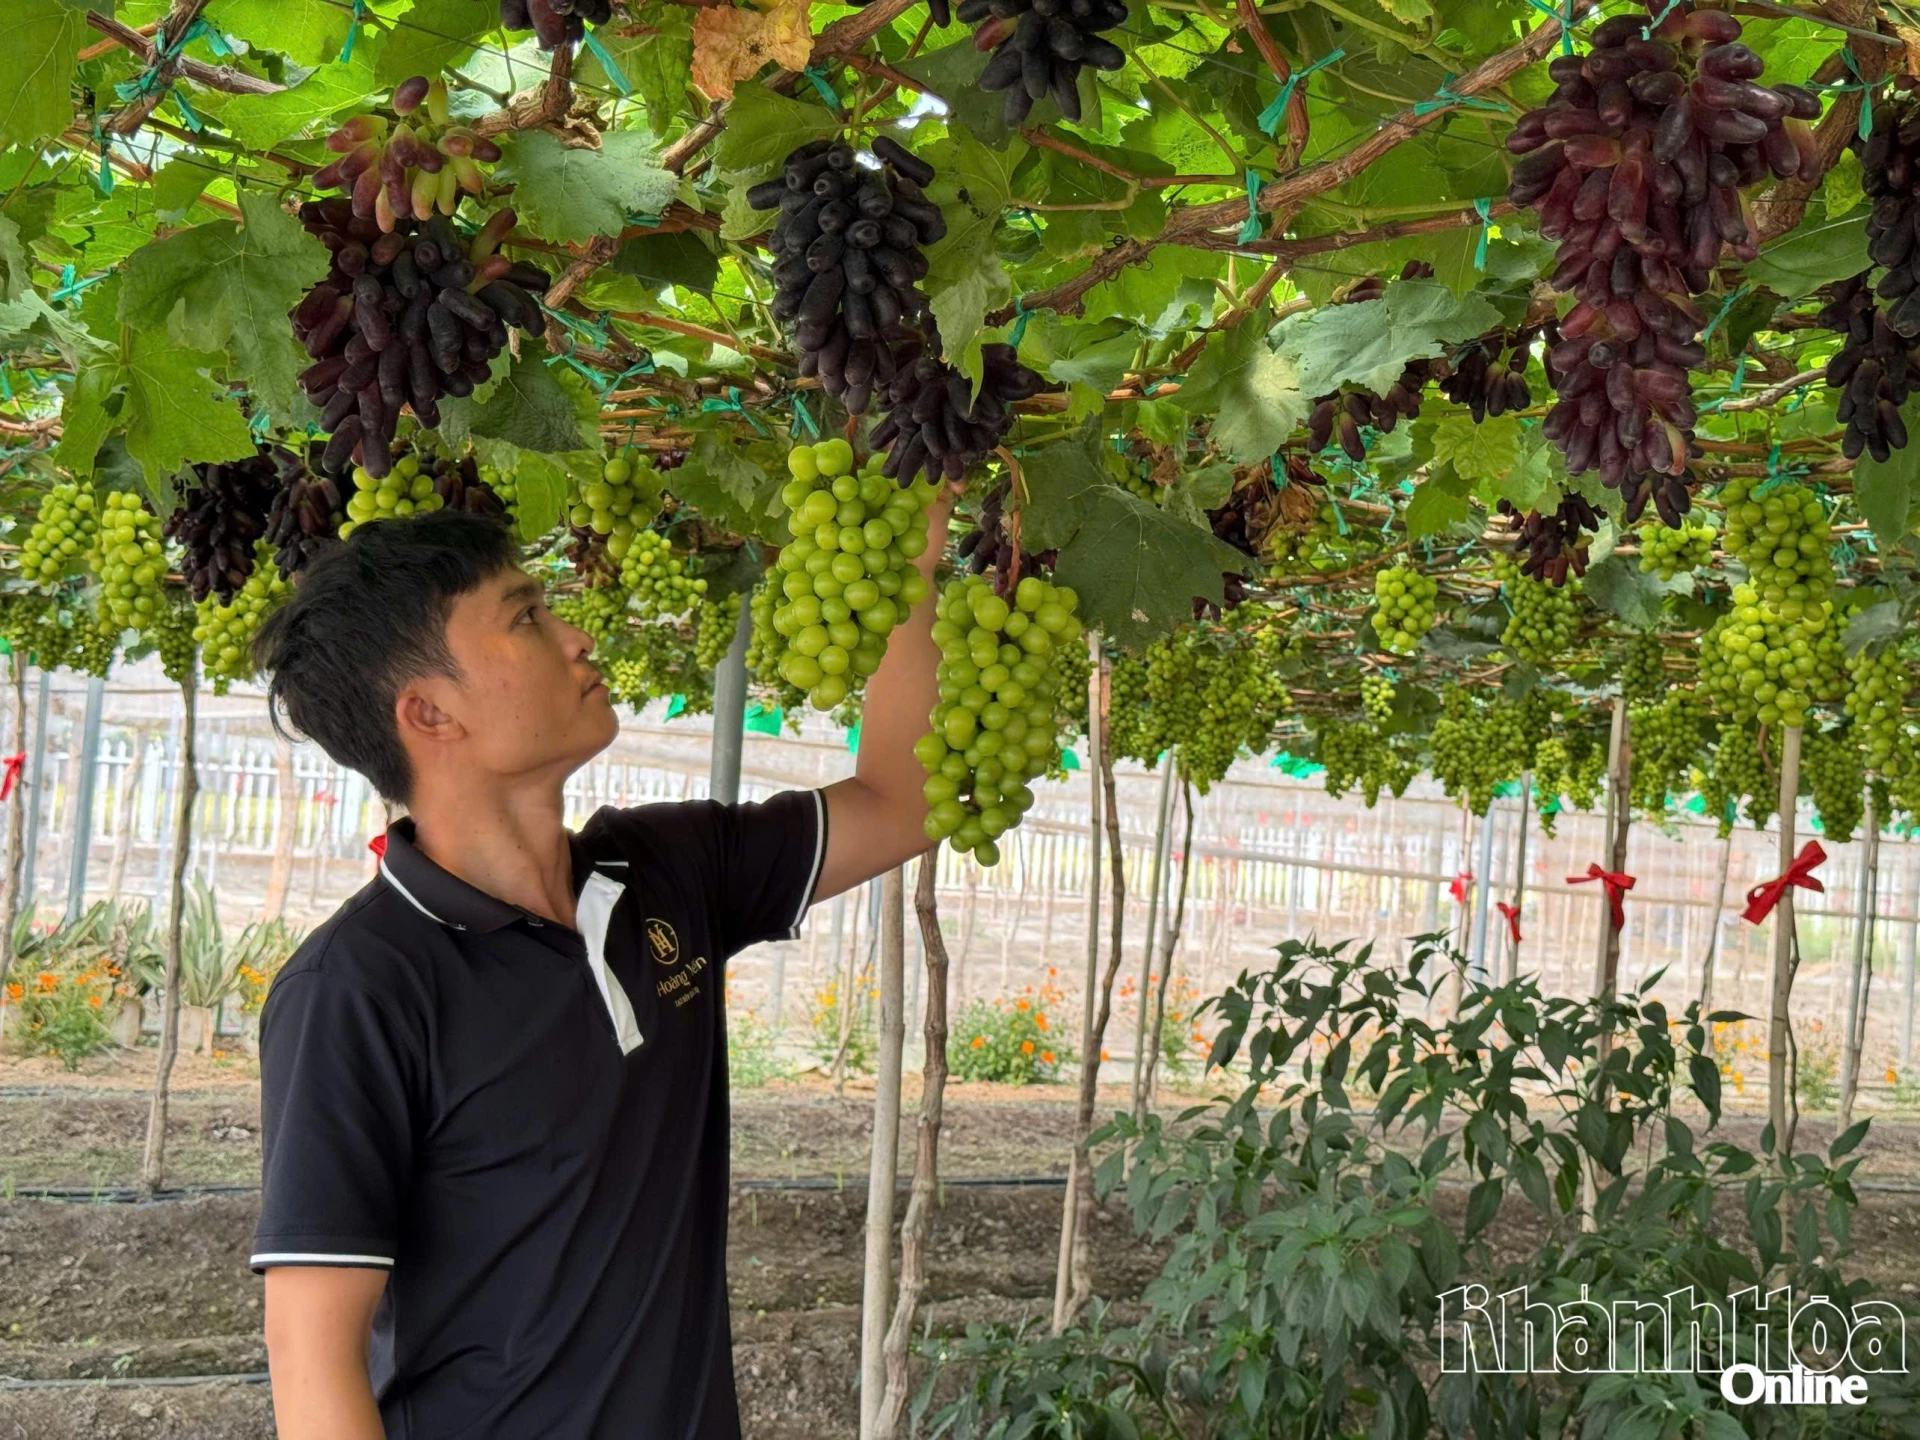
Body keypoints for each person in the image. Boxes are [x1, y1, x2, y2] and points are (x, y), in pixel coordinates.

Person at [248, 491, 948, 1439]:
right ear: (430, 713)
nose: (576, 637)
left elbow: (900, 800)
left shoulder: (667, 870)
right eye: (528, 619)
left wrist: (914, 546)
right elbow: (312, 1357)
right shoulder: (360, 987)